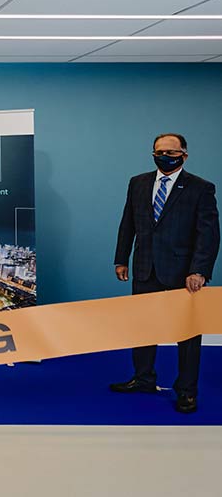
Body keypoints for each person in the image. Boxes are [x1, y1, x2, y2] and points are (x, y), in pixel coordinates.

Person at [112, 133, 220, 413]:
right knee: (143, 329)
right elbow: (128, 224)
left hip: (184, 275)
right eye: (159, 151)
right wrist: (121, 259)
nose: (165, 156)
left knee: (187, 335)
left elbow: (208, 235)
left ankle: (186, 391)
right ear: (152, 153)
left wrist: (199, 270)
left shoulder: (201, 188)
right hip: (145, 267)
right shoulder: (138, 183)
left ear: (184, 155)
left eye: (171, 152)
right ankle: (143, 378)